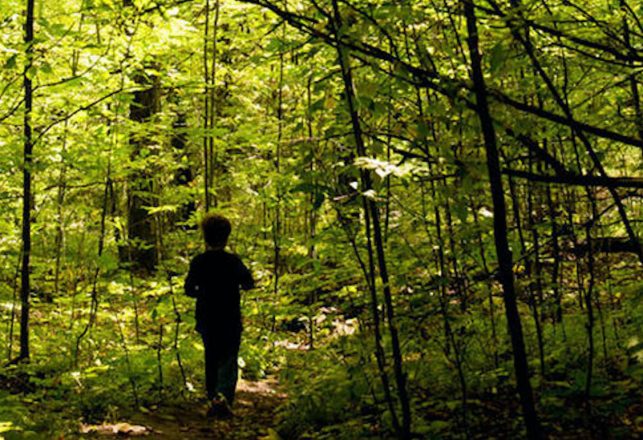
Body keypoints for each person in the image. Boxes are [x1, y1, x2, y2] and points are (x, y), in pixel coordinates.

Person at [184, 214, 254, 418]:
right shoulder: (233, 261)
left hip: (207, 317)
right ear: (226, 237)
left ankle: (213, 397)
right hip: (230, 317)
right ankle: (224, 397)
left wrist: (204, 293)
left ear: (205, 237)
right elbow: (249, 284)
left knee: (211, 357)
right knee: (229, 357)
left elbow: (188, 289)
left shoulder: (199, 261)